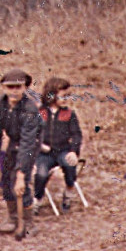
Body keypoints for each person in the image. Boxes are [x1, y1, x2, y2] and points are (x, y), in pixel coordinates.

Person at [0, 68, 42, 236]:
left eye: (18, 87)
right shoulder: (0, 104)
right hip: (13, 142)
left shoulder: (30, 109)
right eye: (10, 87)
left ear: (25, 87)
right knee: (5, 179)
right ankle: (12, 218)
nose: (14, 91)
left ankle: (28, 222)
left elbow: (27, 143)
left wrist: (21, 173)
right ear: (4, 87)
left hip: (30, 145)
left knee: (20, 182)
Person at [33, 77, 83, 213]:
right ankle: (37, 198)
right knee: (41, 173)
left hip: (63, 150)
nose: (66, 99)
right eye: (63, 96)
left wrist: (73, 151)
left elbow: (77, 135)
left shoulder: (69, 114)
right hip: (44, 153)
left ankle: (69, 191)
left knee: (69, 164)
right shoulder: (40, 113)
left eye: (68, 95)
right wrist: (39, 146)